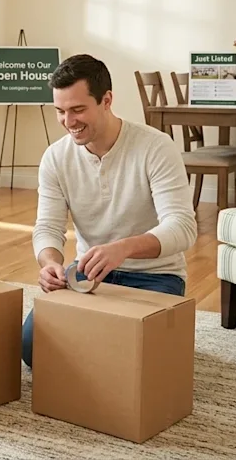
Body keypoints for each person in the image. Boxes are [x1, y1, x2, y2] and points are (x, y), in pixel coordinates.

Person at [22, 54, 197, 368]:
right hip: (87, 276)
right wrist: (50, 263)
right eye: (60, 111)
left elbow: (183, 227)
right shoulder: (55, 158)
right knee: (32, 348)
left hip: (156, 277)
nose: (68, 122)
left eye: (78, 110)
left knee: (142, 364)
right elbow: (47, 227)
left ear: (106, 100)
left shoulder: (155, 147)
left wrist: (123, 249)